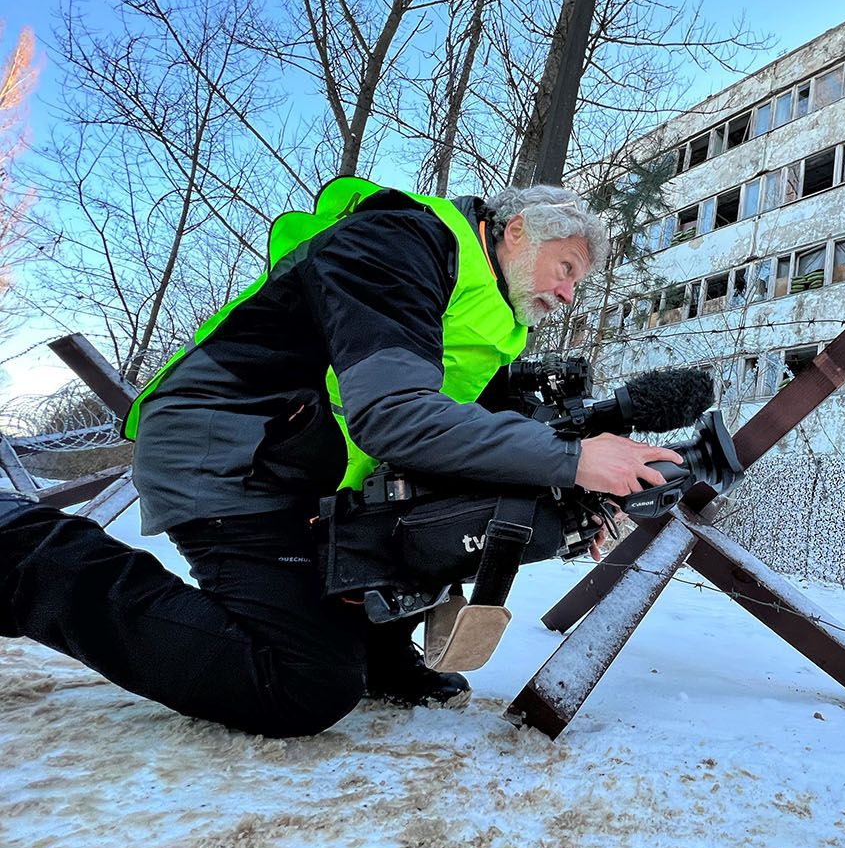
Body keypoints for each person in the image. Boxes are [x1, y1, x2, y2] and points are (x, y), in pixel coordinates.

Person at [0, 179, 681, 738]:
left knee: (460, 490)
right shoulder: (399, 245)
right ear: (517, 231)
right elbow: (394, 419)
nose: (566, 297)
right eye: (566, 270)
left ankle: (380, 650)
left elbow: (479, 452)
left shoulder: (483, 326)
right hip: (231, 447)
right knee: (302, 684)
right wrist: (573, 460)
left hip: (299, 459)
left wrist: (577, 495)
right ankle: (22, 553)